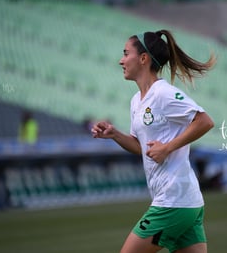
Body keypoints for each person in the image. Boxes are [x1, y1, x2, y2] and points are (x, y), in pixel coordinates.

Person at [92, 29, 216, 253]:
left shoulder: (163, 93)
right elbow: (142, 148)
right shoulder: (136, 101)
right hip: (186, 202)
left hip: (173, 201)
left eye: (125, 53)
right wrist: (115, 134)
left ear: (143, 58)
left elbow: (205, 121)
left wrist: (167, 148)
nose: (121, 60)